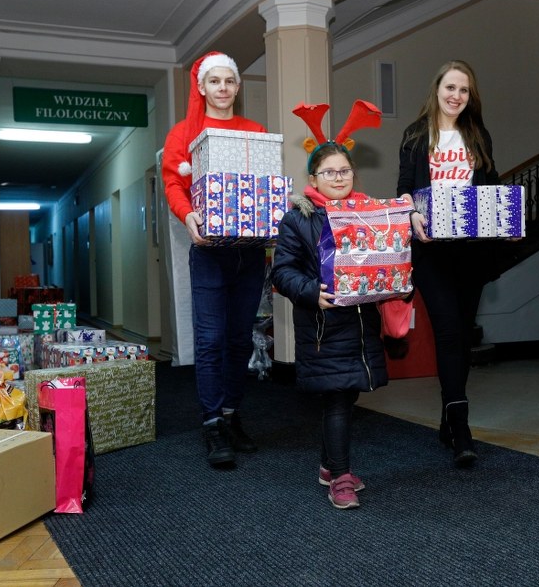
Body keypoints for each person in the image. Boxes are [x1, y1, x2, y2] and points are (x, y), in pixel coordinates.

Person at [271, 101, 387, 509]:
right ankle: (340, 478)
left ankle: (327, 465)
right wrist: (309, 291)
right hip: (323, 326)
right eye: (329, 172)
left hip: (359, 324)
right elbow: (281, 273)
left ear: (353, 174)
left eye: (344, 170)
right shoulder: (297, 220)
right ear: (313, 178)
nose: (338, 177)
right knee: (337, 397)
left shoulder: (370, 214)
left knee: (348, 393)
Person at [162, 51, 267, 468]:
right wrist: (188, 216)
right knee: (210, 340)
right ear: (201, 87)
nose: (223, 88)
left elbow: (263, 185)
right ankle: (211, 424)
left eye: (229, 81)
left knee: (240, 339)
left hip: (249, 252)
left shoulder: (255, 131)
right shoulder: (184, 133)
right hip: (208, 251)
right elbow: (173, 182)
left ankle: (230, 413)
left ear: (237, 88)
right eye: (215, 81)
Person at [397, 60, 503, 468]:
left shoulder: (477, 135)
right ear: (437, 89)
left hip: (472, 251)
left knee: (461, 334)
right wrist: (411, 215)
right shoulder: (416, 134)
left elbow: (491, 185)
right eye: (451, 87)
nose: (456, 96)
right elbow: (404, 187)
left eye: (464, 90)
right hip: (432, 252)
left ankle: (448, 414)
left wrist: (506, 218)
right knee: (447, 333)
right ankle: (461, 425)